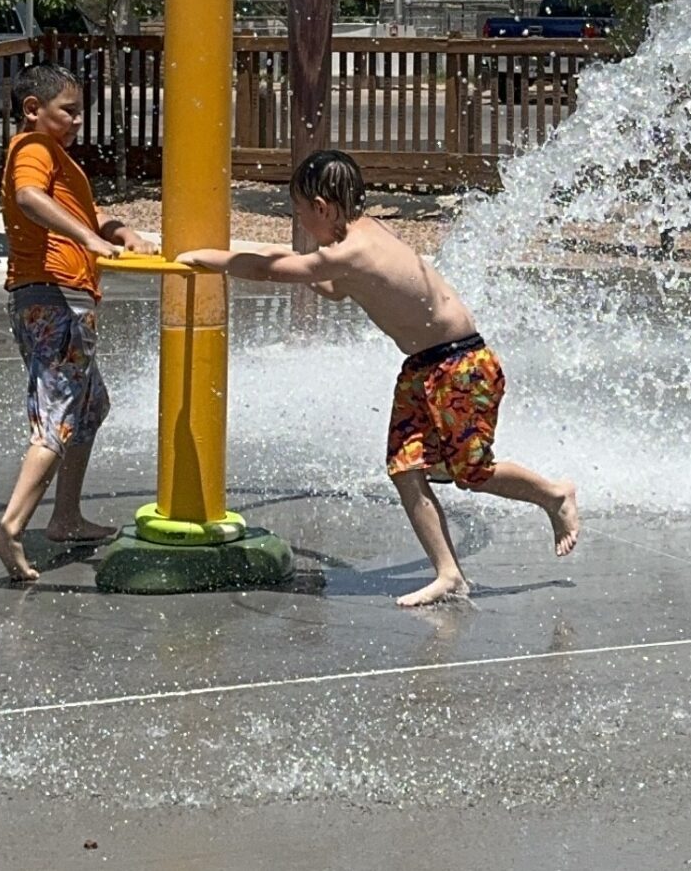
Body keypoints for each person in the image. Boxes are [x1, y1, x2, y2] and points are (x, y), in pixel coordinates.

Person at [179, 148, 580, 607]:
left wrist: (204, 258)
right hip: (423, 367)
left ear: (323, 207)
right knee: (406, 467)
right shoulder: (361, 236)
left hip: (461, 367)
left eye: (300, 211)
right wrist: (280, 258)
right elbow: (328, 288)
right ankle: (448, 574)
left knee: (471, 472)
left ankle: (554, 495)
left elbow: (273, 272)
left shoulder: (358, 249)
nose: (300, 221)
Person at [0, 63, 151, 584]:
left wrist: (119, 230)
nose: (79, 121)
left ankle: (65, 517)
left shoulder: (58, 159)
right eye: (70, 111)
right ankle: (11, 527)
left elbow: (86, 214)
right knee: (58, 415)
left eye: (82, 111)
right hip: (53, 298)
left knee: (89, 405)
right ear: (33, 110)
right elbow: (28, 199)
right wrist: (90, 241)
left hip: (61, 298)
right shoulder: (33, 149)